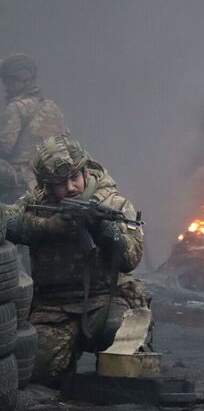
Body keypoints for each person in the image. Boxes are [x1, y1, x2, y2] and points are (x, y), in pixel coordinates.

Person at [4, 135, 148, 387]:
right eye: (60, 183)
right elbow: (7, 221)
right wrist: (48, 227)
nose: (71, 187)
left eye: (75, 177)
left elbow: (131, 258)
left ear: (85, 171)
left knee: (124, 357)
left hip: (106, 301)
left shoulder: (112, 204)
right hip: (54, 309)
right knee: (34, 373)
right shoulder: (36, 206)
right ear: (47, 186)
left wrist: (102, 230)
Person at [0, 53, 69, 203]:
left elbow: (4, 148)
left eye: (7, 81)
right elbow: (67, 143)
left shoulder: (16, 108)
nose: (5, 86)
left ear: (18, 81)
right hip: (52, 183)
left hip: (20, 183)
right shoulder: (53, 107)